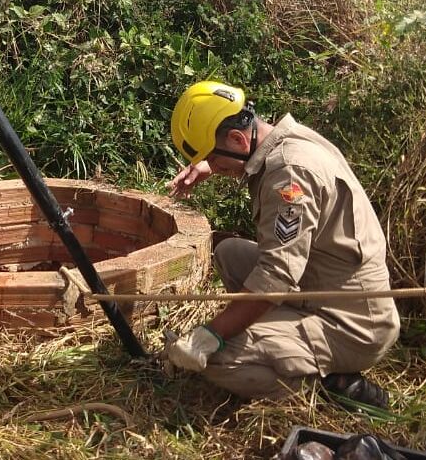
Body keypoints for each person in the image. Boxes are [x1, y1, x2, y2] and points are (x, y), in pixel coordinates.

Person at [160, 80, 400, 409]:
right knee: (229, 254)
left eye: (216, 161)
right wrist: (210, 163)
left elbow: (276, 276)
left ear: (237, 138)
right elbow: (244, 157)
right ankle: (282, 336)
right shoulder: (284, 139)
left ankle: (329, 385)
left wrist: (209, 336)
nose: (216, 169)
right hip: (318, 282)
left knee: (219, 360)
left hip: (351, 321)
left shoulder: (289, 174)